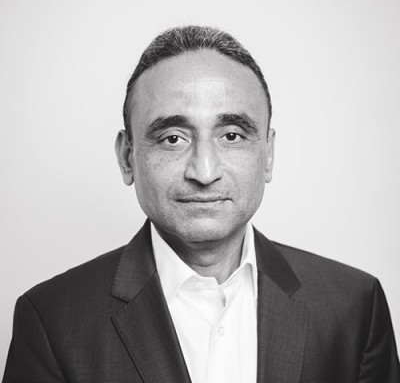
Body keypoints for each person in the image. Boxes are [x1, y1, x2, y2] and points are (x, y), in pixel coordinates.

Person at [3, 26, 399, 383]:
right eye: (173, 138)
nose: (205, 171)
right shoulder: (51, 320)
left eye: (232, 135)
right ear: (127, 157)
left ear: (268, 155)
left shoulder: (355, 306)